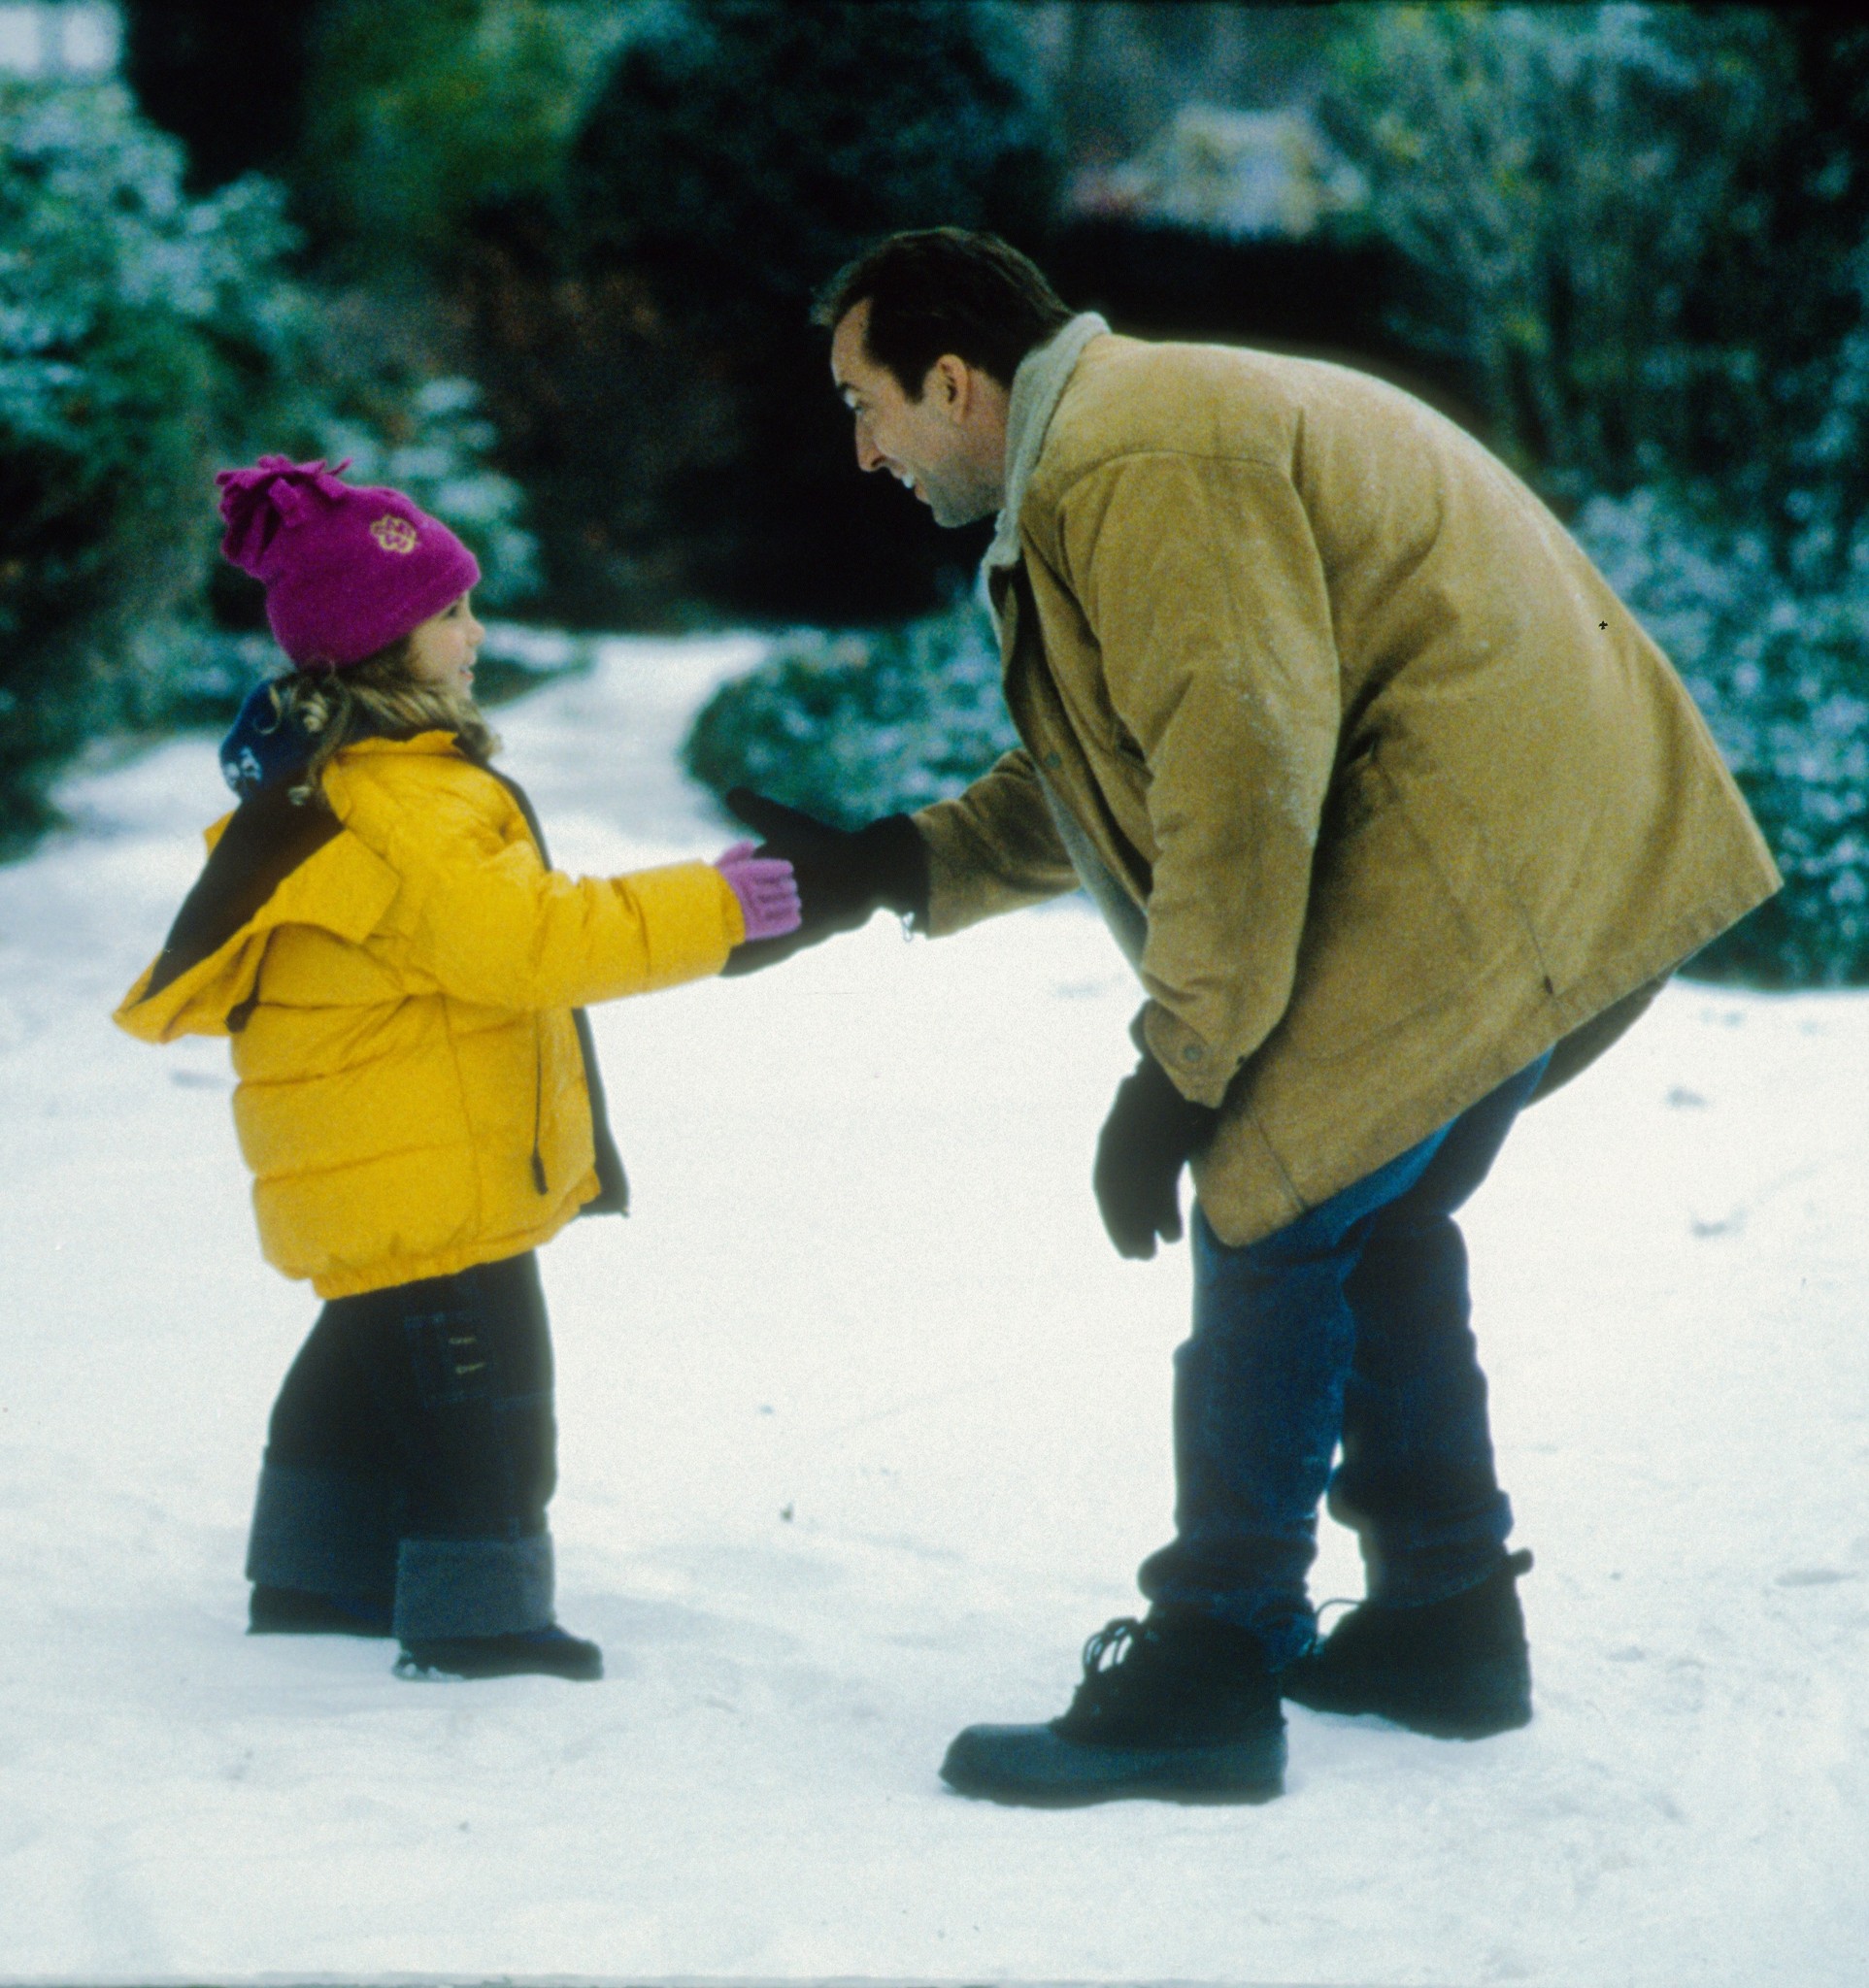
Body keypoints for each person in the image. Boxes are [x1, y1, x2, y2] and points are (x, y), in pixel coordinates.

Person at [722, 228, 1781, 1804]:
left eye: (865, 401)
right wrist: (898, 860)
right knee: (1379, 1199)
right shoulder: (1116, 448)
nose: (863, 447)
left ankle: (1213, 1658)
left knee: (1273, 1187)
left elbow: (1239, 760)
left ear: (954, 380)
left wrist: (1183, 1067)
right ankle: (1445, 1619)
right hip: (1527, 822)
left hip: (1478, 832)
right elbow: (1138, 754)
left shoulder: (1140, 457)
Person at [116, 457, 799, 1682]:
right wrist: (717, 905)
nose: (475, 632)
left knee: (367, 1365)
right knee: (488, 1400)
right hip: (432, 1172)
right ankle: (479, 1618)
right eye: (447, 612)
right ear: (378, 643)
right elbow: (529, 942)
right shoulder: (411, 804)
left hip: (380, 1161)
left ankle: (315, 1577)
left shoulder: (336, 786)